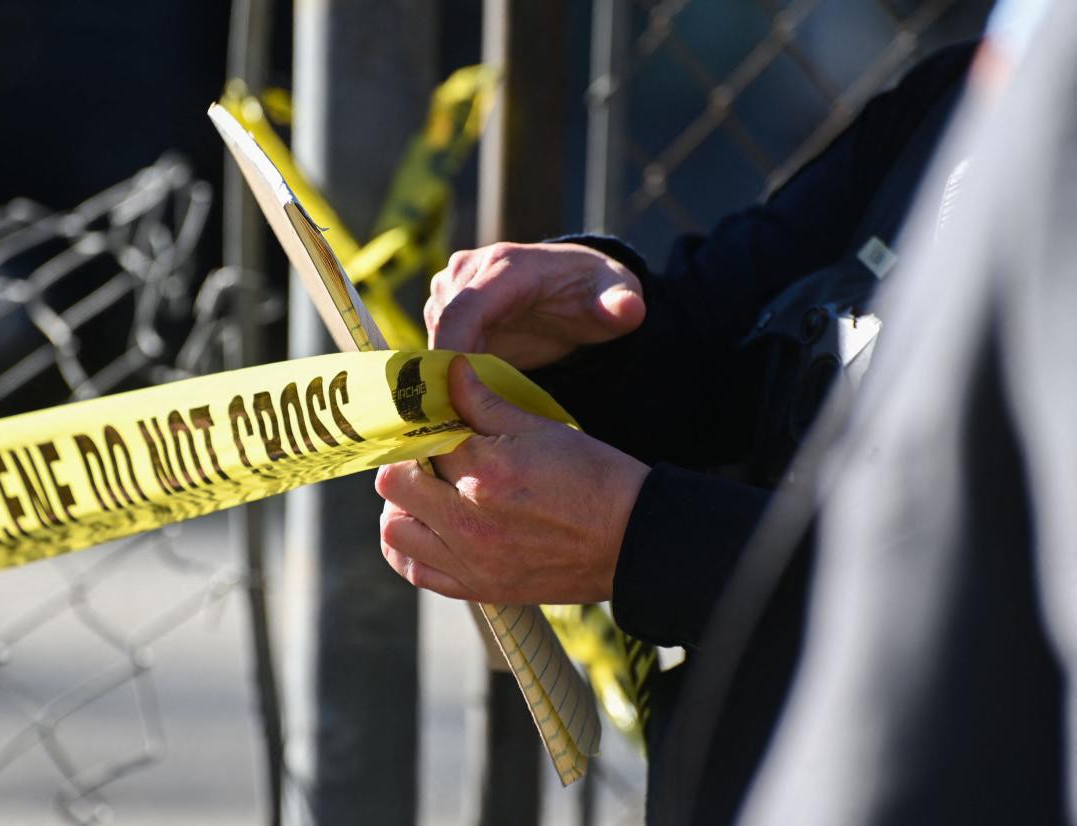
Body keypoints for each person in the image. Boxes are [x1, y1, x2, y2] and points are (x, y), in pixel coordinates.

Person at [375, 41, 978, 824]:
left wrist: (657, 542)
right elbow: (724, 345)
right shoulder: (973, 87)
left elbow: (1012, 607)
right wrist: (586, 339)